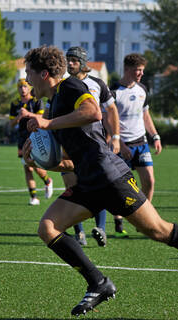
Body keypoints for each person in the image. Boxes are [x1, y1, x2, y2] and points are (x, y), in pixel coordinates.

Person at [22, 45, 178, 316]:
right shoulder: (54, 104)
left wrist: (46, 125)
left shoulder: (71, 87)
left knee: (158, 230)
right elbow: (71, 160)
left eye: (29, 72)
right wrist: (43, 161)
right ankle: (98, 283)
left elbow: (94, 113)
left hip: (110, 177)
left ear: (44, 74)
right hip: (88, 182)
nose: (26, 78)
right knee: (48, 228)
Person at [65, 46, 121, 247]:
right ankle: (79, 233)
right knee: (72, 188)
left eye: (74, 60)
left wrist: (115, 137)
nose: (70, 63)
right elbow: (49, 115)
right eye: (68, 60)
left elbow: (111, 110)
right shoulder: (63, 86)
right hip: (70, 147)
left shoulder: (97, 84)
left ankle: (101, 229)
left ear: (82, 63)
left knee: (100, 186)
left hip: (95, 146)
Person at [110, 53, 162, 238]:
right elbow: (109, 121)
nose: (140, 73)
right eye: (137, 70)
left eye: (142, 70)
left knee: (149, 181)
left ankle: (144, 220)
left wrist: (155, 136)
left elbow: (145, 115)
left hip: (141, 143)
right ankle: (118, 221)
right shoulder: (114, 91)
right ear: (126, 69)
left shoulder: (142, 89)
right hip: (122, 146)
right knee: (120, 187)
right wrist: (120, 143)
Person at [9, 78, 53, 205]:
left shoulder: (36, 101)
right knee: (27, 167)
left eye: (25, 87)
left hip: (35, 136)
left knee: (34, 164)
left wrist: (28, 114)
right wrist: (18, 117)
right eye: (20, 87)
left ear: (29, 88)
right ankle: (33, 197)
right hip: (22, 138)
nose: (22, 89)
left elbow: (43, 117)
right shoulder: (15, 103)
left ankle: (47, 180)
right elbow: (11, 123)